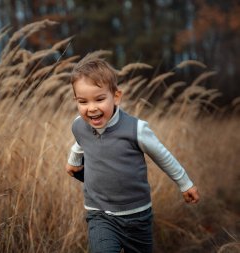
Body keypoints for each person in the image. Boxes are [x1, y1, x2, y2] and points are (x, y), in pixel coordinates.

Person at [65, 56, 199, 253]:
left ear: (116, 96)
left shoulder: (136, 129)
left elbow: (163, 156)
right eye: (83, 101)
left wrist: (184, 183)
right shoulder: (79, 125)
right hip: (99, 213)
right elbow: (79, 143)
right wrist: (73, 161)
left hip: (136, 216)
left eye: (100, 99)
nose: (91, 108)